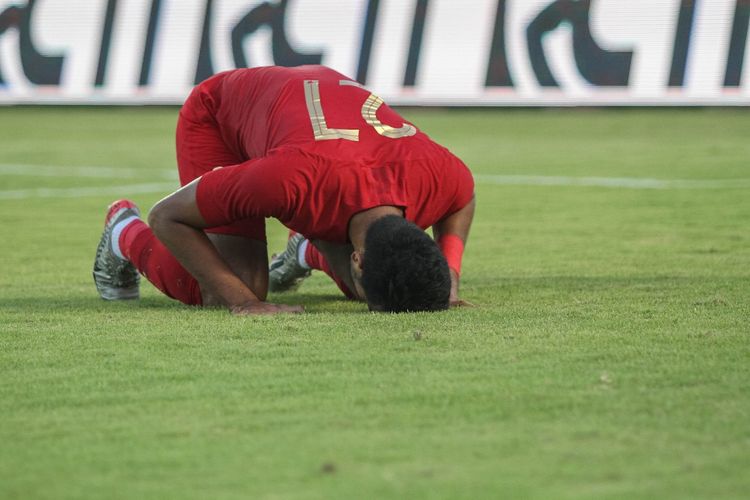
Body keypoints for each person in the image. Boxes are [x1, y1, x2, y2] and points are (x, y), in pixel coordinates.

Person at [93, 65, 475, 315]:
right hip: (221, 116)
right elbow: (168, 216)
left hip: (314, 141)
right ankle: (122, 232)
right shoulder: (289, 180)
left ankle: (306, 248)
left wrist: (450, 276)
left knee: (385, 285)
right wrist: (243, 303)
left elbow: (464, 197)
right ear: (357, 259)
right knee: (231, 286)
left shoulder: (437, 176)